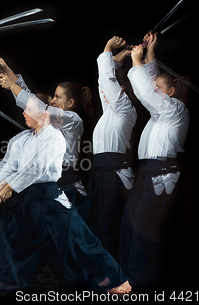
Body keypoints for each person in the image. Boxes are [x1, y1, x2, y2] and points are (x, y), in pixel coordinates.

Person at [0, 96, 131, 294]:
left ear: (45, 112)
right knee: (13, 237)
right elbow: (6, 166)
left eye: (29, 109)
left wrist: (9, 188)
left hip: (48, 197)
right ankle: (11, 279)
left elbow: (36, 168)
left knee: (78, 240)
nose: (24, 113)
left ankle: (119, 280)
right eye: (24, 109)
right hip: (26, 197)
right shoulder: (20, 139)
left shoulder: (54, 136)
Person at [119, 32, 190, 287]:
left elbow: (147, 92)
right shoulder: (161, 112)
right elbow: (151, 86)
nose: (153, 91)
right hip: (146, 171)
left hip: (162, 173)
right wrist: (149, 52)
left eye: (159, 89)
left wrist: (136, 61)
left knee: (143, 225)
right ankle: (130, 276)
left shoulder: (176, 109)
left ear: (170, 92)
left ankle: (138, 280)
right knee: (130, 224)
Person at [0, 58, 92, 216]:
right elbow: (30, 100)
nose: (53, 100)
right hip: (46, 185)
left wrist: (11, 85)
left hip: (65, 186)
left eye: (58, 97)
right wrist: (6, 69)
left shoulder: (72, 119)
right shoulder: (51, 119)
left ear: (71, 102)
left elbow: (38, 108)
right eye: (53, 96)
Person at [86, 36, 137, 260]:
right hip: (100, 174)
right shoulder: (111, 111)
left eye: (114, 87)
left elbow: (107, 82)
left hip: (113, 175)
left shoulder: (126, 109)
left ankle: (120, 274)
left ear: (122, 89)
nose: (104, 94)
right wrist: (120, 58)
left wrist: (107, 48)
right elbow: (103, 83)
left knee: (111, 225)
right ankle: (107, 271)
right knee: (99, 225)